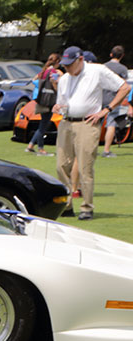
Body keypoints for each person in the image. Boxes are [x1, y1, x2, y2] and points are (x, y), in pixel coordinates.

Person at [54, 45, 131, 220]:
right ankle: (67, 205)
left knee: (85, 167)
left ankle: (87, 207)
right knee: (61, 166)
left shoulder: (97, 71)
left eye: (69, 64)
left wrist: (106, 110)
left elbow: (124, 87)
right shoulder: (65, 78)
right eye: (64, 65)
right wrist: (58, 107)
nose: (67, 68)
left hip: (87, 123)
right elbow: (62, 102)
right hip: (66, 122)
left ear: (80, 60)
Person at [27, 53, 60, 155]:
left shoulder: (44, 71)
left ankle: (31, 145)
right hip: (49, 100)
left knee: (43, 123)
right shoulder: (53, 72)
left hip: (42, 99)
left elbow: (34, 80)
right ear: (57, 62)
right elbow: (54, 86)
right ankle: (40, 148)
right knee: (44, 125)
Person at [102, 46, 128, 157]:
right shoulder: (123, 69)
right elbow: (124, 86)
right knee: (111, 124)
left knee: (95, 122)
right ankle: (106, 150)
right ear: (122, 56)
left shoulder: (103, 66)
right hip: (114, 99)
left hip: (100, 98)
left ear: (111, 54)